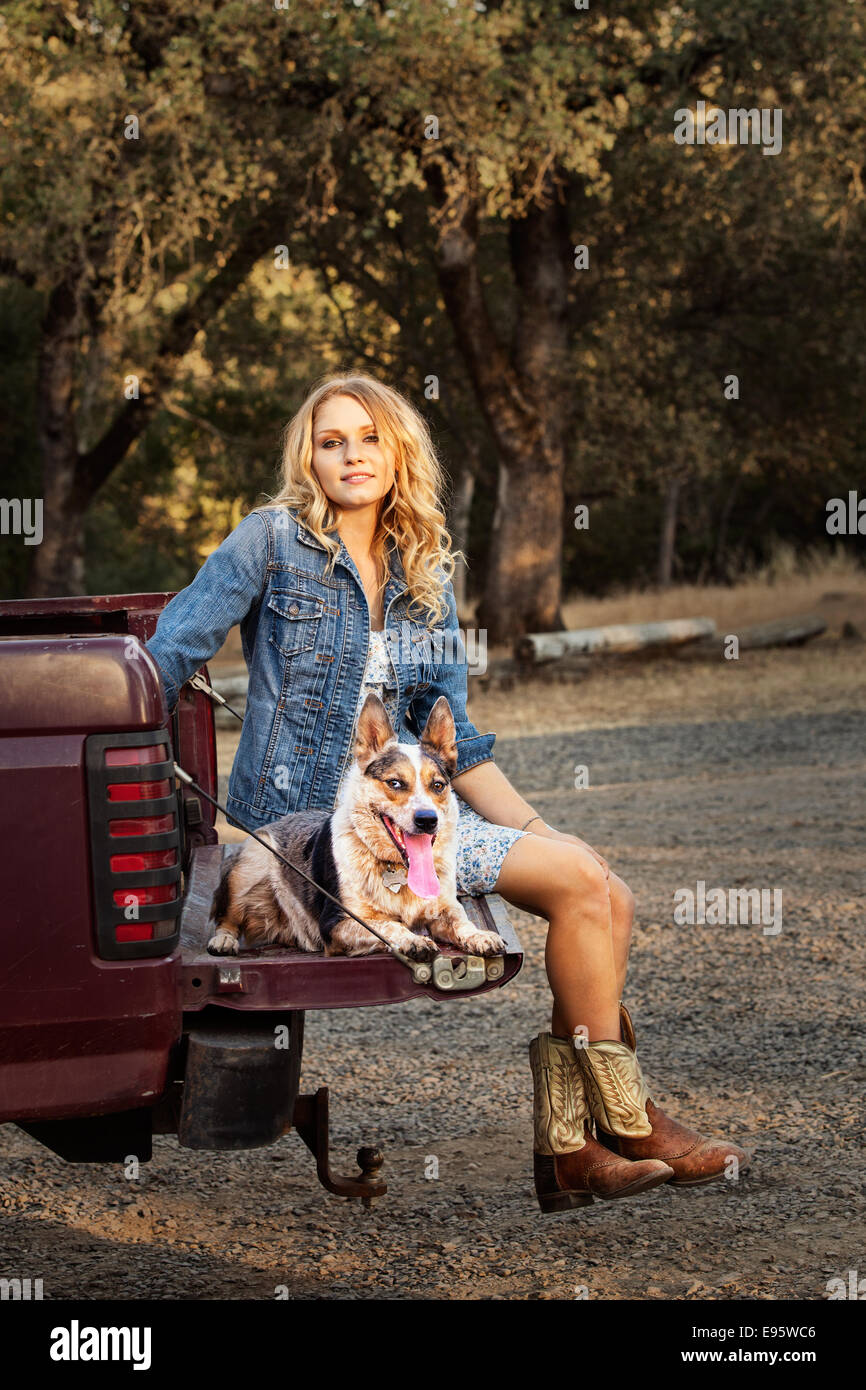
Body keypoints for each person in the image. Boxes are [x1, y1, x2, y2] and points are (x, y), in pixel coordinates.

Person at [146, 370, 749, 1212]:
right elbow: (172, 649)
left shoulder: (425, 575)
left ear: (398, 451)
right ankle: (618, 1128)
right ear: (309, 459)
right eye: (331, 441)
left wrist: (549, 830)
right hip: (309, 841)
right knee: (583, 889)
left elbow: (453, 745)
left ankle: (580, 1144)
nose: (352, 455)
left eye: (369, 438)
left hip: (418, 826)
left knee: (605, 889)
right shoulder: (271, 541)